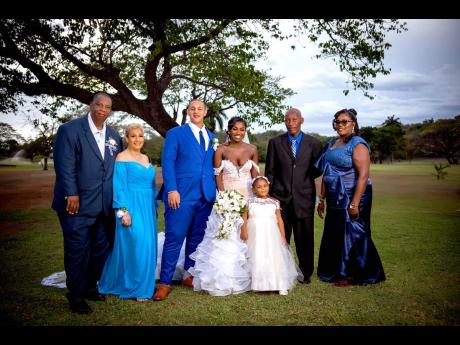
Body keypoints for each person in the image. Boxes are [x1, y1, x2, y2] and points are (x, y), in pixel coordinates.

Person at [52, 92, 123, 314]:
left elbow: (115, 169)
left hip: (104, 205)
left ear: (111, 110)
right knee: (77, 250)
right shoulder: (70, 130)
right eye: (98, 104)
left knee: (101, 249)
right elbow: (65, 165)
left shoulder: (114, 136)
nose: (102, 109)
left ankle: (91, 287)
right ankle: (75, 296)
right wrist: (71, 193)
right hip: (77, 204)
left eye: (107, 106)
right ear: (90, 105)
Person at [153, 99, 217, 301]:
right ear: (188, 112)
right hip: (180, 196)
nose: (196, 111)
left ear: (205, 112)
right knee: (174, 237)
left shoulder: (213, 137)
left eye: (200, 109)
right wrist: (172, 189)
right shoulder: (176, 134)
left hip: (206, 197)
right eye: (192, 108)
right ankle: (164, 282)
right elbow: (168, 161)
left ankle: (189, 275)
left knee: (196, 240)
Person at [315, 108, 386, 286]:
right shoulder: (331, 143)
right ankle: (336, 271)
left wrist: (355, 203)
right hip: (334, 196)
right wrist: (321, 199)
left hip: (352, 194)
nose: (340, 125)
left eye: (344, 121)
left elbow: (363, 175)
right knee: (336, 233)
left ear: (353, 124)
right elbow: (326, 171)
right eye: (338, 122)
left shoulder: (358, 144)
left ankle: (352, 275)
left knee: (353, 233)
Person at [188, 116, 258, 296]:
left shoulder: (252, 149)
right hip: (227, 200)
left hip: (248, 198)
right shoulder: (220, 150)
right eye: (235, 129)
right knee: (226, 239)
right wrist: (224, 199)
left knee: (249, 236)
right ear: (228, 130)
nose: (239, 133)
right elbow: (217, 176)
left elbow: (256, 176)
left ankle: (254, 276)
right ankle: (224, 278)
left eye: (242, 129)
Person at [98, 124, 158, 301]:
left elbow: (151, 185)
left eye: (140, 136)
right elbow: (119, 188)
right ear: (126, 138)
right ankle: (136, 287)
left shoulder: (146, 158)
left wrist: (154, 204)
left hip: (147, 208)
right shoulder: (122, 157)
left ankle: (142, 284)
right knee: (137, 244)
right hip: (130, 207)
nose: (137, 139)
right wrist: (123, 212)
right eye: (133, 136)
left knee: (147, 246)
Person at [265, 108, 323, 284]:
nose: (290, 123)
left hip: (304, 197)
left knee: (304, 237)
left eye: (294, 119)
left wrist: (300, 182)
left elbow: (317, 169)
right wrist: (274, 193)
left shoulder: (313, 143)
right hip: (280, 198)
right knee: (281, 237)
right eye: (287, 120)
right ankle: (282, 271)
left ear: (301, 120)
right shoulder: (275, 142)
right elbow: (270, 171)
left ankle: (305, 274)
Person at [241, 176, 303, 295]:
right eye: (259, 187)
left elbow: (279, 220)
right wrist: (243, 231)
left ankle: (279, 283)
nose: (263, 189)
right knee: (257, 255)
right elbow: (244, 218)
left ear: (269, 187)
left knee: (274, 256)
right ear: (253, 189)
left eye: (265, 186)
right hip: (256, 235)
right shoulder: (249, 202)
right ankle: (259, 283)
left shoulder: (274, 202)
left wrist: (283, 236)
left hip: (271, 235)